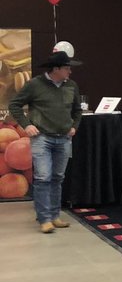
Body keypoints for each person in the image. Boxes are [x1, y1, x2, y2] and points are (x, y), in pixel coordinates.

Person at [8, 49, 83, 233]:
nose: (70, 72)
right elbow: (14, 105)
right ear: (55, 69)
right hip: (42, 138)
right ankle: (44, 219)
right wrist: (26, 125)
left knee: (57, 178)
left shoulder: (71, 85)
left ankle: (55, 216)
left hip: (64, 138)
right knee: (43, 178)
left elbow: (77, 110)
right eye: (67, 68)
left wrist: (75, 126)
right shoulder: (35, 85)